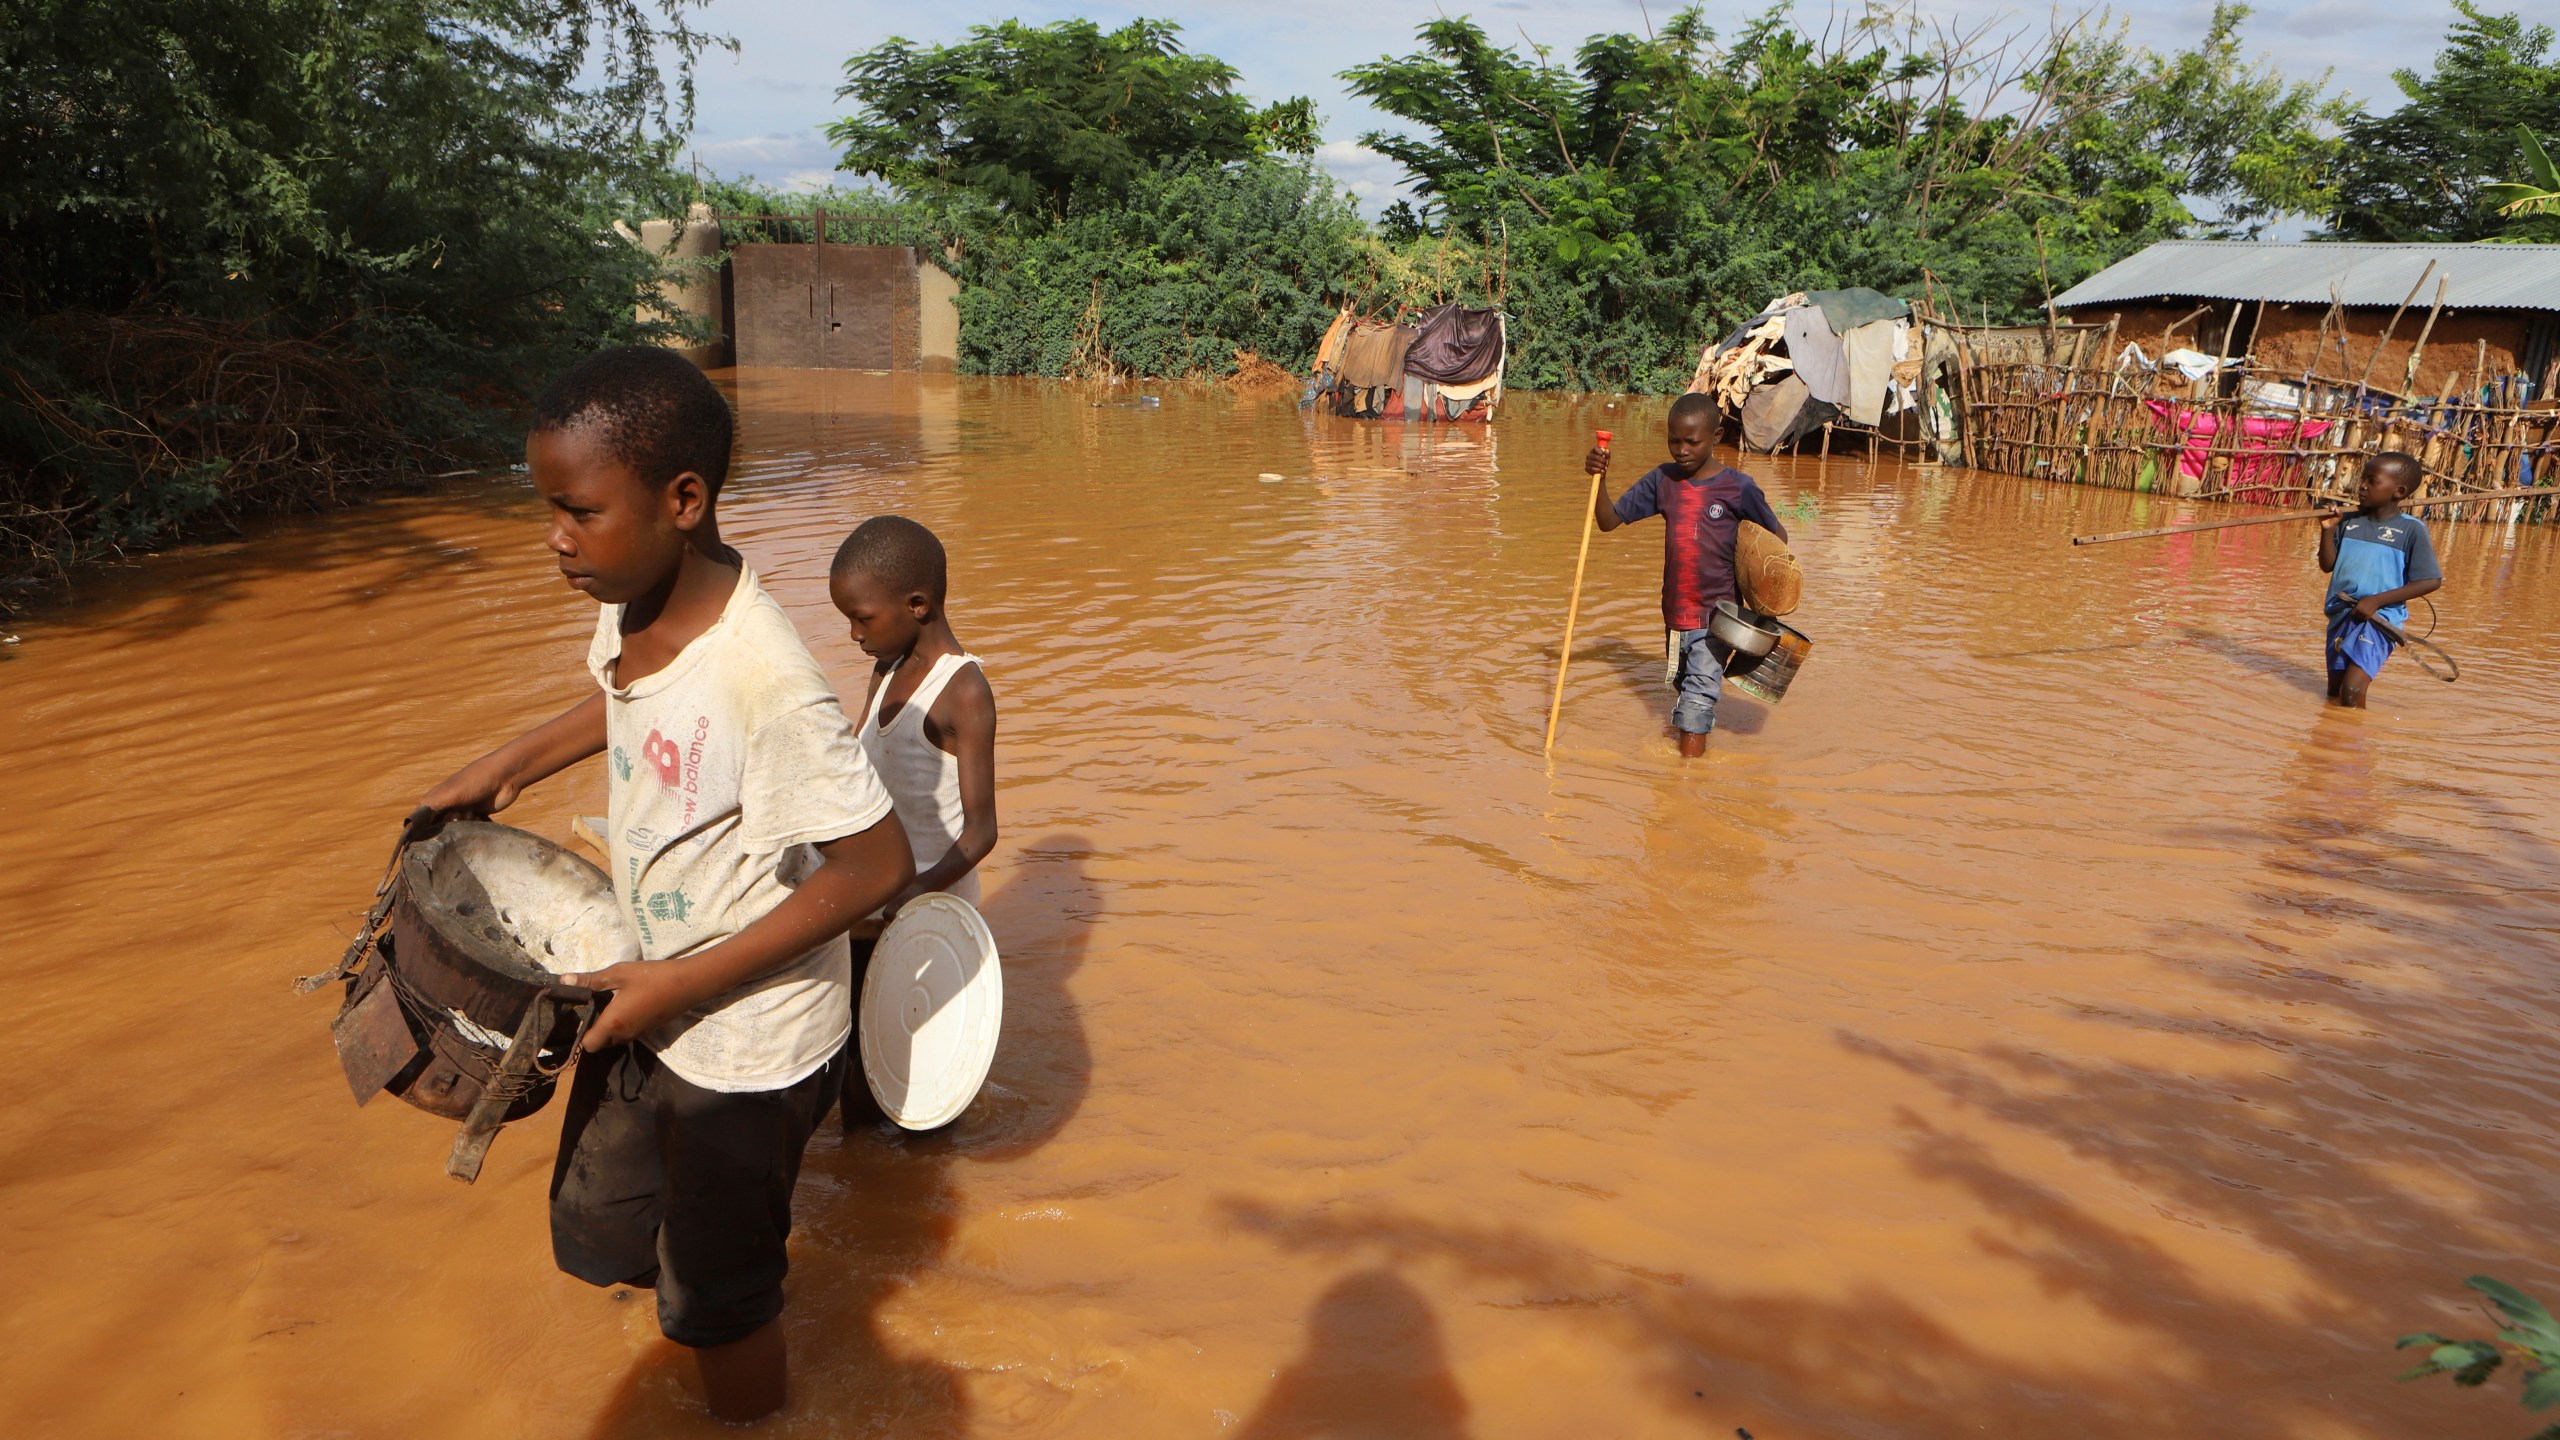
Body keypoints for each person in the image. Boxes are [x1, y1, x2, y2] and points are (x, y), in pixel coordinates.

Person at [414, 346, 913, 1425]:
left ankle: (750, 1407)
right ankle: (697, 1285)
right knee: (601, 1229)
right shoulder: (632, 594)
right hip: (651, 989)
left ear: (682, 500)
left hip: (748, 1042)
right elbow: (622, 695)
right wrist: (502, 765)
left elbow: (878, 868)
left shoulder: (766, 678)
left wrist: (676, 988)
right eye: (547, 506)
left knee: (721, 1301)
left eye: (577, 510)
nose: (556, 537)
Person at [825, 516, 999, 1129]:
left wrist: (913, 891)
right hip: (870, 910)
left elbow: (981, 832)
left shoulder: (964, 692)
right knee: (859, 1075)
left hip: (925, 917)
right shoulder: (885, 669)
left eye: (862, 619)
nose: (853, 634)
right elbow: (854, 770)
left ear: (918, 604)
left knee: (924, 1088)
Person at [1581, 392, 1788, 757]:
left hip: (1717, 619)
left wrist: (1762, 601)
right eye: (1673, 441)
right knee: (1685, 689)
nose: (1681, 450)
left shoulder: (1738, 488)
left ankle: (1687, 785)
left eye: (1692, 441)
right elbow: (1608, 521)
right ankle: (1692, 754)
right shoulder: (1663, 481)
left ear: (1716, 437)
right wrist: (1600, 477)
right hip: (1676, 614)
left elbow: (1775, 543)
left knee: (1695, 701)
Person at [2318, 450, 2443, 709]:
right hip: (2343, 614)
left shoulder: (2410, 530)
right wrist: (2328, 531)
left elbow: (2430, 580)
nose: (2362, 486)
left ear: (2398, 492)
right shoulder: (2348, 521)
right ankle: (2331, 742)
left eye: (2372, 481)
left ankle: (2354, 745)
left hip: (2379, 619)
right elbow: (2327, 565)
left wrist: (2376, 601)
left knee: (2351, 690)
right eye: (2363, 478)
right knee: (2334, 692)